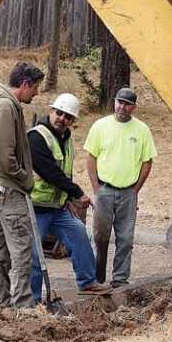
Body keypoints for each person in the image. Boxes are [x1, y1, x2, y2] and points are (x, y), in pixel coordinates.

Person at [28, 93, 113, 300]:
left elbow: (65, 172)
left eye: (67, 117)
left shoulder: (66, 139)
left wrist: (66, 199)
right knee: (35, 257)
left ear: (72, 121)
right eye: (59, 113)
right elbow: (50, 173)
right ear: (51, 111)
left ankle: (87, 282)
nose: (62, 119)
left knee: (79, 234)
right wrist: (77, 193)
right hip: (36, 209)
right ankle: (32, 300)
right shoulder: (36, 137)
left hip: (57, 208)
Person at [0, 61, 43, 308]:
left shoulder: (5, 104)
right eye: (35, 87)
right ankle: (23, 305)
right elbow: (4, 155)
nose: (36, 93)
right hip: (9, 188)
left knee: (0, 250)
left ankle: (1, 302)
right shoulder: (5, 106)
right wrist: (24, 178)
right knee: (20, 249)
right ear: (25, 84)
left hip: (1, 188)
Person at [84, 87, 157, 288]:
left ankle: (120, 279)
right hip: (105, 189)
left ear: (133, 107)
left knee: (125, 238)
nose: (121, 107)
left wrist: (135, 190)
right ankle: (97, 279)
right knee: (100, 237)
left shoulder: (142, 130)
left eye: (126, 104)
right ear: (114, 102)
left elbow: (147, 162)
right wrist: (96, 188)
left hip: (128, 191)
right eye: (119, 102)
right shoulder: (100, 126)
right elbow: (91, 157)